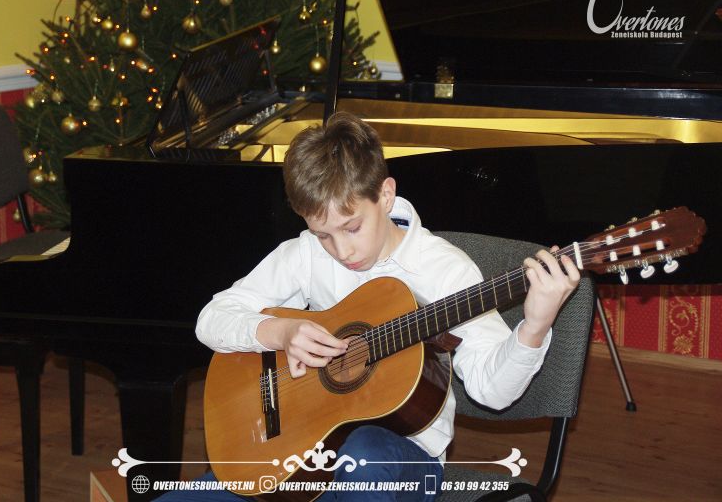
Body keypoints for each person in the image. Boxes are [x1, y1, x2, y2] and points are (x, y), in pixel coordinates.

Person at [155, 112, 580, 501]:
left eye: (352, 227)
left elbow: (493, 393)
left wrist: (534, 326)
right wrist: (280, 332)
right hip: (308, 449)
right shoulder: (307, 254)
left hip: (402, 461)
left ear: (386, 194)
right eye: (324, 234)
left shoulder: (443, 271)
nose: (341, 250)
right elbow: (211, 319)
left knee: (363, 453)